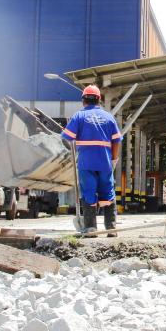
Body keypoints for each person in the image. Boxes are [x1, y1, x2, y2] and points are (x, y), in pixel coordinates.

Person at [61, 85, 122, 237]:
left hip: (86, 163)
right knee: (107, 193)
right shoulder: (109, 117)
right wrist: (114, 159)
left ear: (83, 101)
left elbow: (66, 138)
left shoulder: (79, 117)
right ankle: (111, 229)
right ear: (99, 100)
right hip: (105, 162)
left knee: (88, 193)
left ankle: (91, 229)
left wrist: (73, 148)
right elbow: (116, 141)